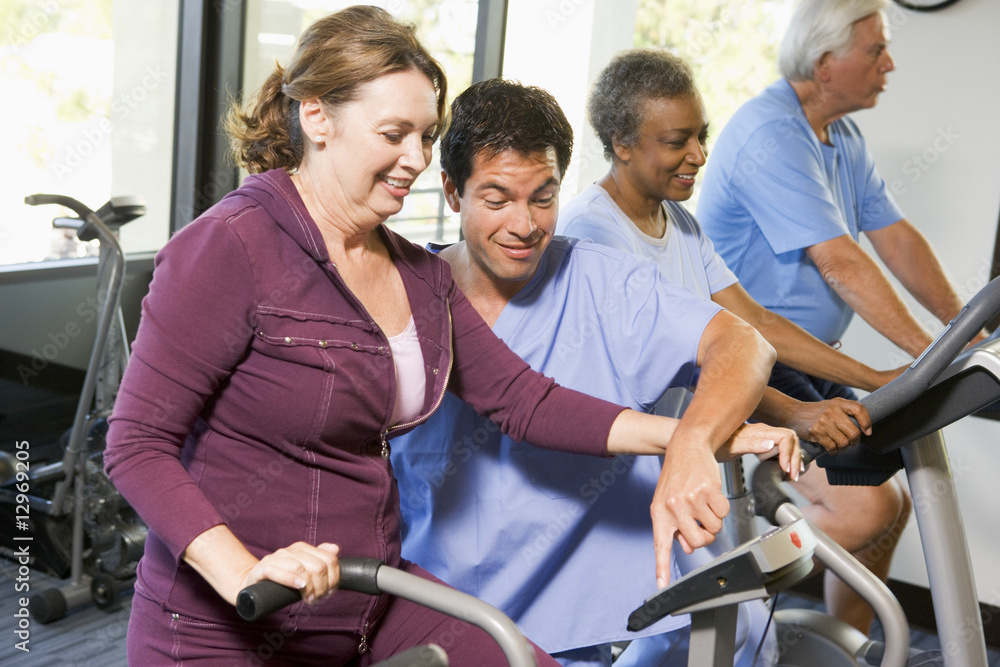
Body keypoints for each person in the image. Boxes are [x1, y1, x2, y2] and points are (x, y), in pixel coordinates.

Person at [103, 7, 794, 665]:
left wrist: (692, 436)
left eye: (425, 135)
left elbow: (528, 400)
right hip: (231, 617)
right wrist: (243, 569)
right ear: (316, 116)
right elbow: (136, 444)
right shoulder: (231, 246)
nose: (413, 156)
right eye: (393, 132)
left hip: (361, 596)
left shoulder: (415, 274)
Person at [391, 78, 815, 667]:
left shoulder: (602, 283)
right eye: (497, 199)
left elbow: (742, 343)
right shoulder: (397, 296)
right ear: (451, 192)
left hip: (596, 624)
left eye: (543, 196)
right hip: (443, 615)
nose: (524, 224)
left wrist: (694, 441)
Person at [557, 45, 910, 639]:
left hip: (700, 448)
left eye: (701, 135)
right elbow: (684, 368)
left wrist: (879, 378)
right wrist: (796, 413)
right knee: (721, 627)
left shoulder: (682, 223)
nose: (698, 155)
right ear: (621, 143)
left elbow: (755, 327)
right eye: (677, 141)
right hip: (635, 469)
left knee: (743, 631)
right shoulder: (594, 237)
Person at [696, 0, 987, 634]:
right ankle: (720, 622)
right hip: (746, 357)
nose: (890, 62)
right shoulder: (770, 133)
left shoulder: (840, 136)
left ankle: (852, 642)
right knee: (863, 510)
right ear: (825, 64)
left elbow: (895, 238)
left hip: (806, 354)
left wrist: (967, 328)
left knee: (893, 506)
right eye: (876, 49)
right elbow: (841, 264)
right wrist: (931, 358)